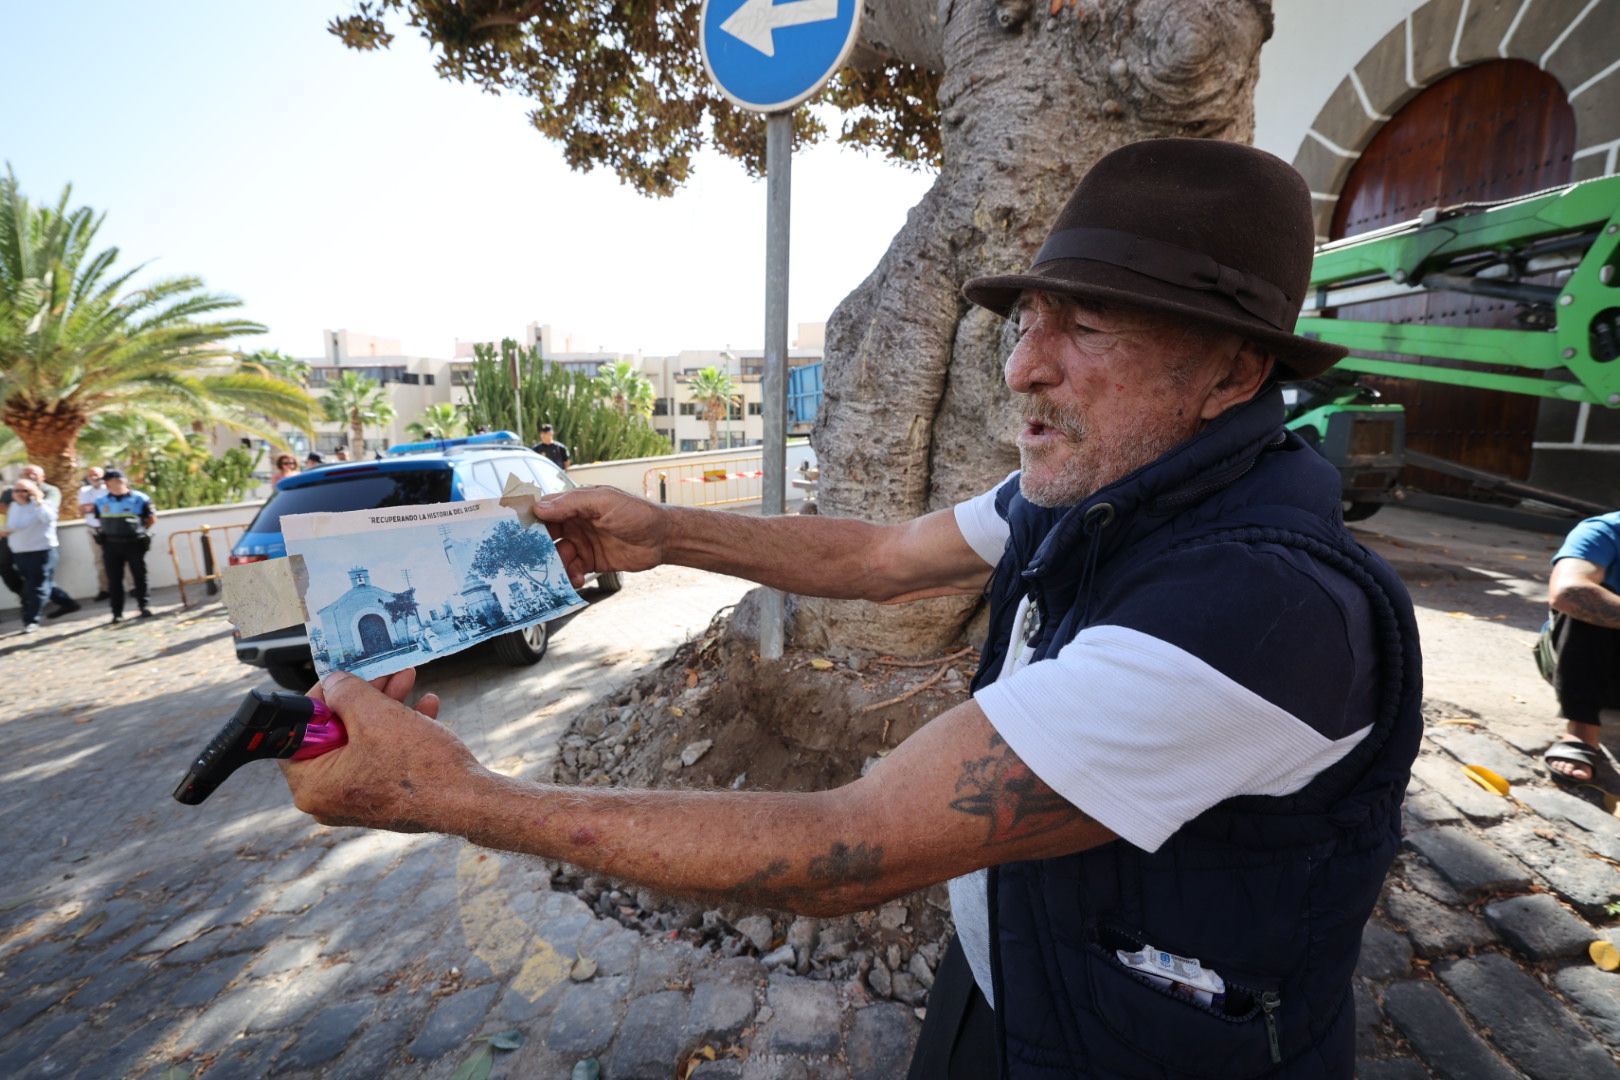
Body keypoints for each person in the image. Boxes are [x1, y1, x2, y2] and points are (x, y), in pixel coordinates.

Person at [279, 141, 1422, 1078]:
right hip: (1013, 987)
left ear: (1230, 372)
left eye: (1091, 326)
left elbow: (852, 843)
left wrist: (452, 793)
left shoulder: (1261, 612)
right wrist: (668, 532)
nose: (1025, 367)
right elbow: (880, 555)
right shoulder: (1091, 490)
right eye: (1026, 319)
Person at [1541, 511, 1620, 782]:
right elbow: (1566, 593)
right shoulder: (1604, 531)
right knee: (1587, 602)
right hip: (1587, 660)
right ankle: (1582, 733)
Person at [0, 464, 80, 617]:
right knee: (5, 568)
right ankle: (60, 602)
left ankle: (31, 612)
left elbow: (45, 513)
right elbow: (4, 508)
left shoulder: (50, 490)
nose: (29, 475)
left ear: (42, 477)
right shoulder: (12, 491)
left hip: (37, 541)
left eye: (33, 473)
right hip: (13, 540)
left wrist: (29, 502)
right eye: (26, 473)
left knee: (37, 579)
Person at [93, 469, 156, 624]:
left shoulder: (140, 498)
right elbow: (99, 522)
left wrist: (139, 531)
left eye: (119, 479)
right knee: (114, 580)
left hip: (134, 543)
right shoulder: (101, 501)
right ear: (107, 483)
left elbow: (152, 519)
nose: (117, 482)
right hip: (111, 544)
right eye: (113, 480)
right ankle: (117, 612)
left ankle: (144, 606)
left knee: (139, 576)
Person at [2, 476, 60, 633]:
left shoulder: (42, 505)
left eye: (24, 490)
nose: (20, 493)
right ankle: (67, 603)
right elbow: (13, 526)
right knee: (37, 584)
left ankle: (31, 619)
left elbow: (49, 519)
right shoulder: (14, 507)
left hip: (41, 551)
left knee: (37, 586)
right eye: (17, 490)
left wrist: (38, 501)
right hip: (20, 552)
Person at [79, 467, 112, 601]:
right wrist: (99, 507)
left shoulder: (109, 489)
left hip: (111, 528)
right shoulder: (84, 491)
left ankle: (133, 587)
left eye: (96, 475)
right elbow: (82, 509)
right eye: (90, 475)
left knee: (124, 559)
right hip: (94, 529)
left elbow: (110, 507)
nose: (94, 477)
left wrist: (94, 507)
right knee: (99, 560)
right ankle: (105, 589)